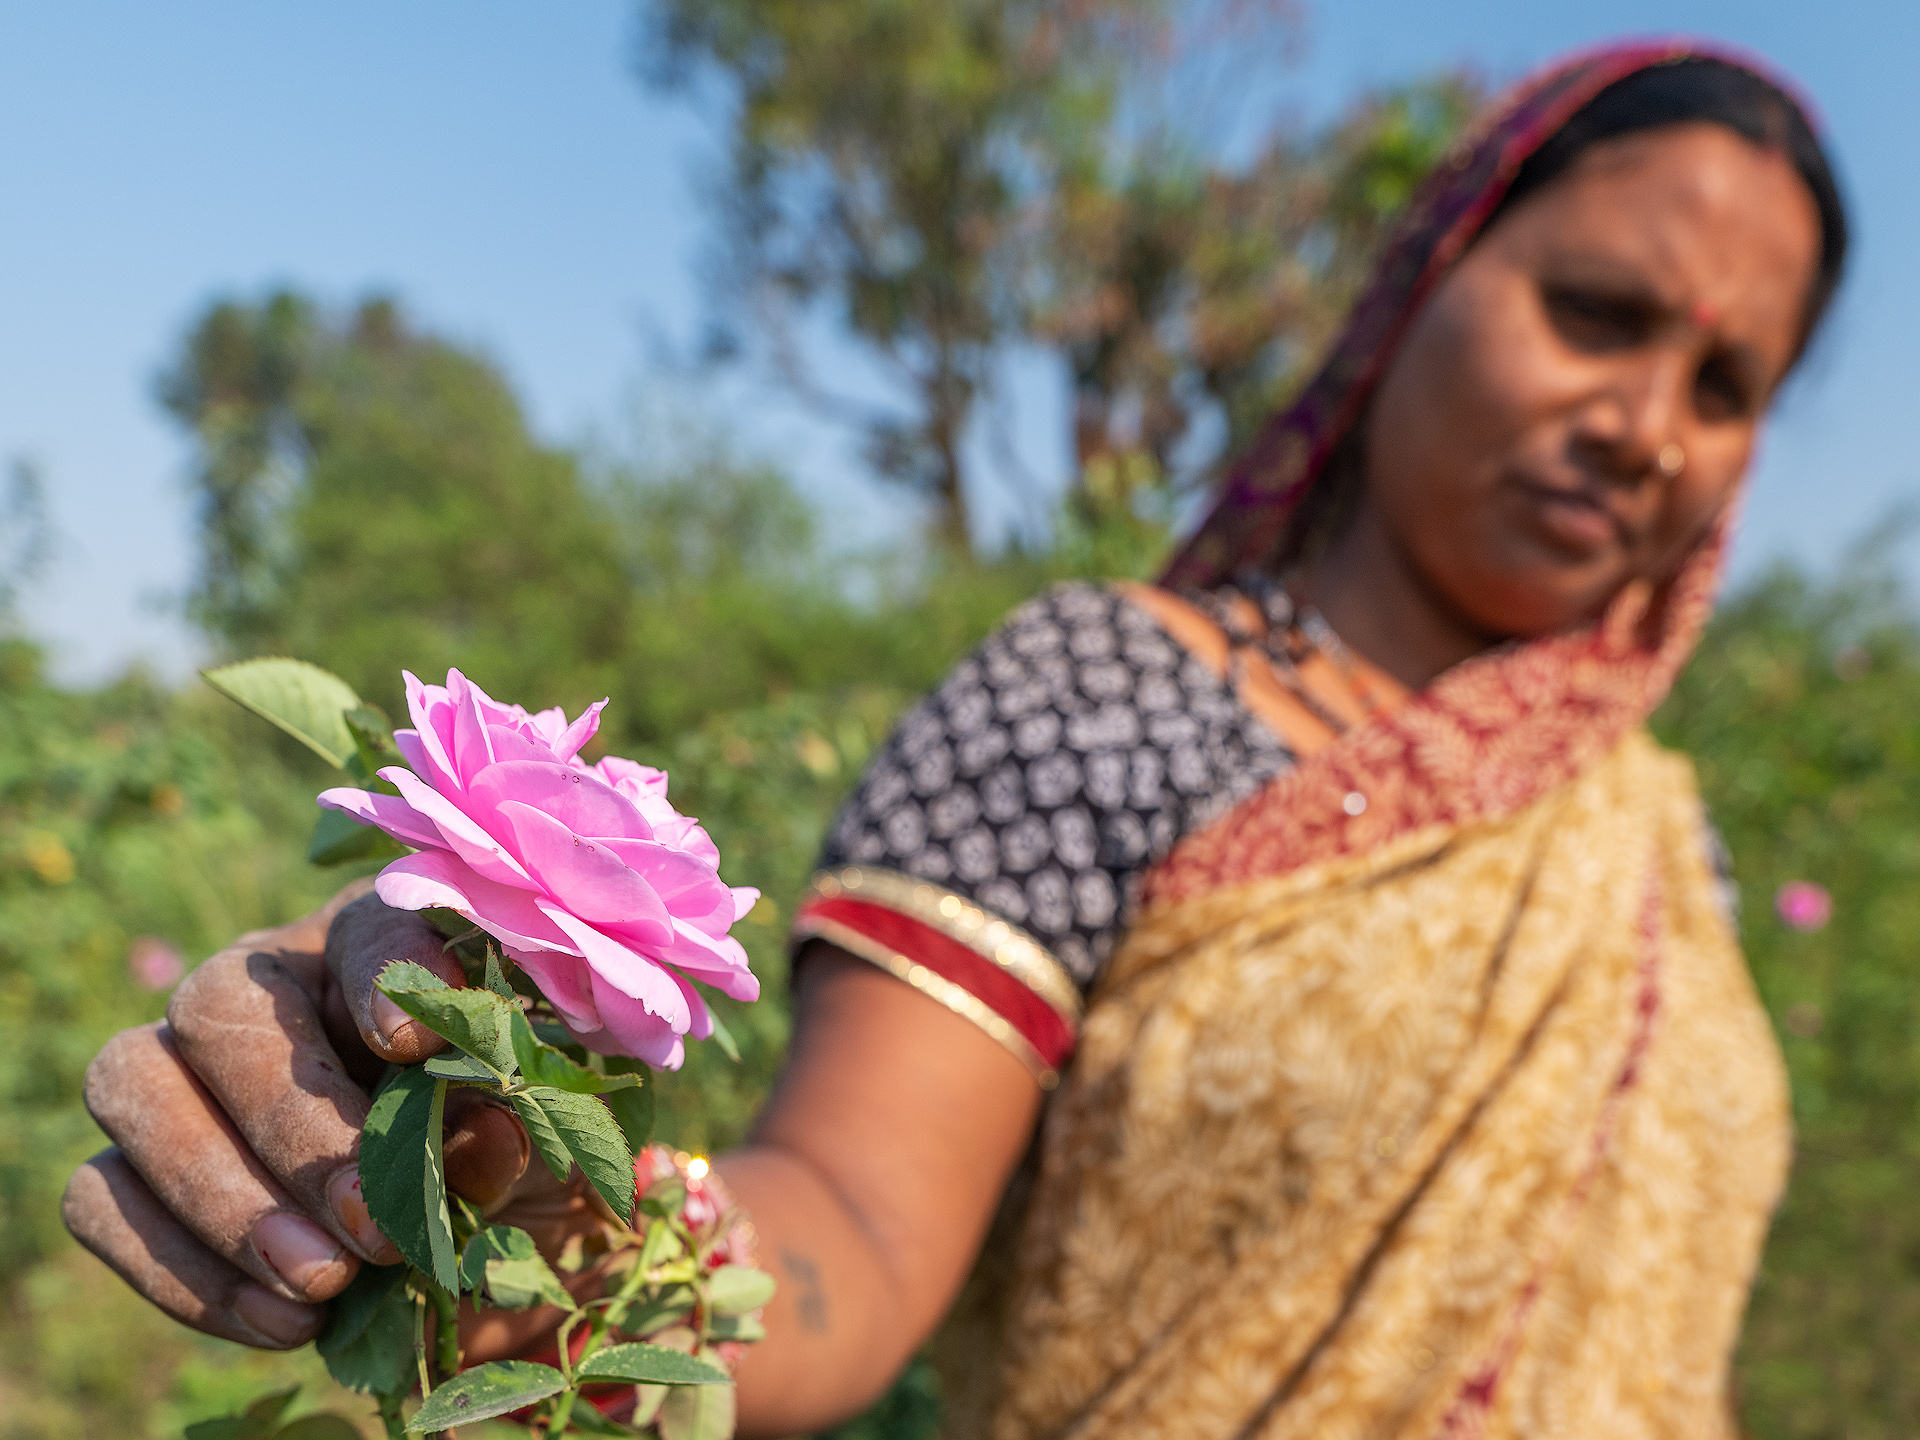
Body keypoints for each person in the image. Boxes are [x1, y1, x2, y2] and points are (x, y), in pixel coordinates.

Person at [65, 39, 1849, 1438]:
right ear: (1423, 279)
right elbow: (845, 1232)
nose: (1650, 430)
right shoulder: (1107, 700)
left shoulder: (1654, 833)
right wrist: (505, 1165)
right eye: (1597, 314)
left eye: (1727, 389)